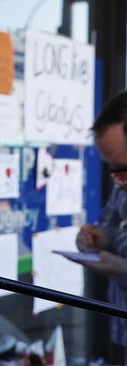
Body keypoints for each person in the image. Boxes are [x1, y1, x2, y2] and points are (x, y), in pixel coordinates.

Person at [76, 91, 127, 352]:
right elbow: (111, 222)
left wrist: (122, 268)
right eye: (112, 169)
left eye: (123, 168)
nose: (118, 181)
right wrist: (97, 237)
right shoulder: (122, 182)